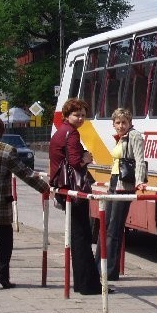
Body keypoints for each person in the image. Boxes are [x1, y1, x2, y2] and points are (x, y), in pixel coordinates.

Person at [0, 116, 50, 292]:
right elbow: (24, 173)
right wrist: (45, 188)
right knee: (4, 243)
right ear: (1, 131)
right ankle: (2, 278)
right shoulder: (7, 150)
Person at [48, 98, 101, 295]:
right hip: (74, 189)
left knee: (77, 235)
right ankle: (88, 285)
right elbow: (76, 162)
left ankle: (82, 283)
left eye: (83, 115)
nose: (80, 119)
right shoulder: (71, 133)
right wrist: (86, 157)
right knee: (82, 236)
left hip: (63, 187)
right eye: (76, 115)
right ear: (67, 115)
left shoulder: (60, 131)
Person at [95, 108, 147, 281]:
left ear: (130, 122)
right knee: (106, 226)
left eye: (124, 122)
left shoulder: (135, 136)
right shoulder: (121, 138)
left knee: (114, 229)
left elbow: (140, 160)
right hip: (114, 181)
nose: (121, 126)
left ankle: (109, 271)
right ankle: (99, 267)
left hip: (124, 185)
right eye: (117, 123)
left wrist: (140, 181)